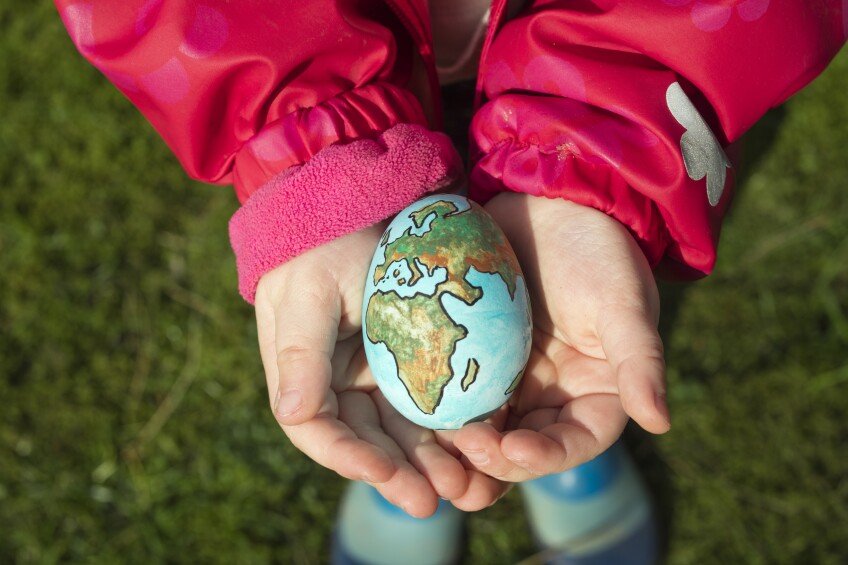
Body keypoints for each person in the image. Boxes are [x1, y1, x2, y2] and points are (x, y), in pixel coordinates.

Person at [54, 1, 846, 562]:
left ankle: (532, 423)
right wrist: (315, 152)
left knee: (574, 276)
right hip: (353, 51)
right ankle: (414, 414)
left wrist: (591, 150)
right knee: (447, 232)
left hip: (590, 42)